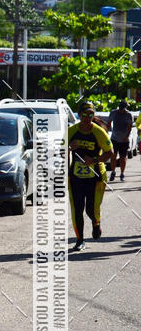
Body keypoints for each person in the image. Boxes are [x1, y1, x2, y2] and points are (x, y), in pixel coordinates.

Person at [68, 100, 113, 251]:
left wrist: (93, 160)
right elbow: (59, 150)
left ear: (93, 115)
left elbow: (110, 154)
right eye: (84, 114)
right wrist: (69, 147)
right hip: (75, 176)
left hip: (96, 177)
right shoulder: (72, 130)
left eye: (90, 114)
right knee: (77, 208)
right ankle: (80, 240)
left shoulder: (99, 132)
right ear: (79, 115)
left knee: (91, 209)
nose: (87, 117)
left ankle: (96, 223)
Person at [108, 100, 133, 181]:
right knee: (113, 156)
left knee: (122, 158)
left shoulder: (129, 115)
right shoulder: (113, 112)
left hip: (124, 140)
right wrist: (111, 130)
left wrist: (126, 136)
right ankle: (113, 172)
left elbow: (129, 127)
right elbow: (109, 123)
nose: (122, 110)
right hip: (114, 138)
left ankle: (122, 173)